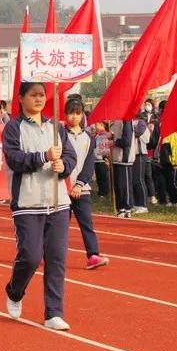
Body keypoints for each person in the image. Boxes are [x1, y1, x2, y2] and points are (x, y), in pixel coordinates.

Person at [3, 82, 76, 331]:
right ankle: (15, 291)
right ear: (21, 98)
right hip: (27, 202)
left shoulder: (56, 127)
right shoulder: (13, 128)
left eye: (42, 95)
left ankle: (53, 312)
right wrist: (42, 157)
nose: (38, 99)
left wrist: (63, 166)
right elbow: (14, 159)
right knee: (31, 256)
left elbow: (70, 156)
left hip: (58, 203)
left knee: (56, 258)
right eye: (33, 95)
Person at [64, 100, 108, 270]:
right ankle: (49, 255)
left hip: (82, 190)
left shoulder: (88, 138)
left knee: (87, 223)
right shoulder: (60, 136)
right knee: (58, 227)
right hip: (62, 189)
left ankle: (93, 255)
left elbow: (89, 164)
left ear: (82, 114)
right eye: (71, 113)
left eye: (77, 113)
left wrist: (79, 184)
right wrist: (68, 184)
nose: (74, 117)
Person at [110, 118, 136, 218]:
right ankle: (120, 208)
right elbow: (117, 136)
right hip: (116, 157)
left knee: (125, 184)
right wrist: (111, 137)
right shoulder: (116, 121)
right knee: (119, 185)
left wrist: (115, 142)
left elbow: (126, 140)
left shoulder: (127, 120)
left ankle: (127, 207)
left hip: (124, 157)